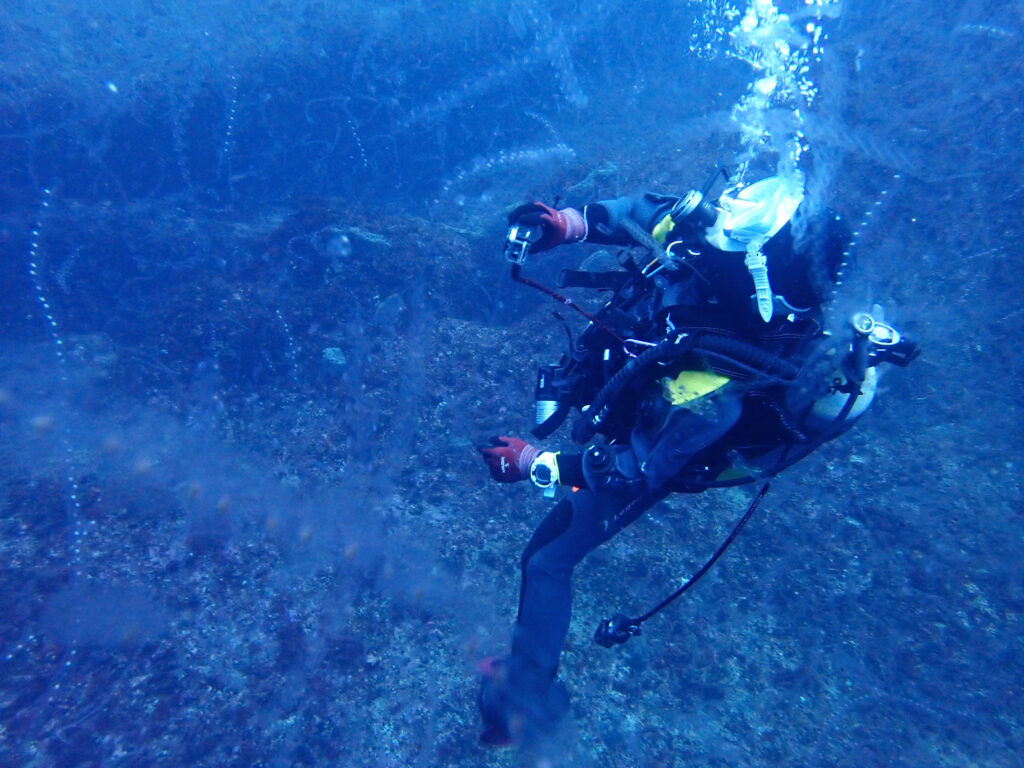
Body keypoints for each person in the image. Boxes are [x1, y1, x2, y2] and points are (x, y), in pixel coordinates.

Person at [475, 172, 919, 745]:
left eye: (729, 238)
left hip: (670, 449)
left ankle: (527, 703)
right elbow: (650, 211)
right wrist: (571, 224)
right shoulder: (719, 245)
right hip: (648, 393)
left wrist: (538, 463)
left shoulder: (720, 388)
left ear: (765, 281)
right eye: (724, 227)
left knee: (546, 562)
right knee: (546, 555)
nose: (715, 229)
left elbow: (638, 473)